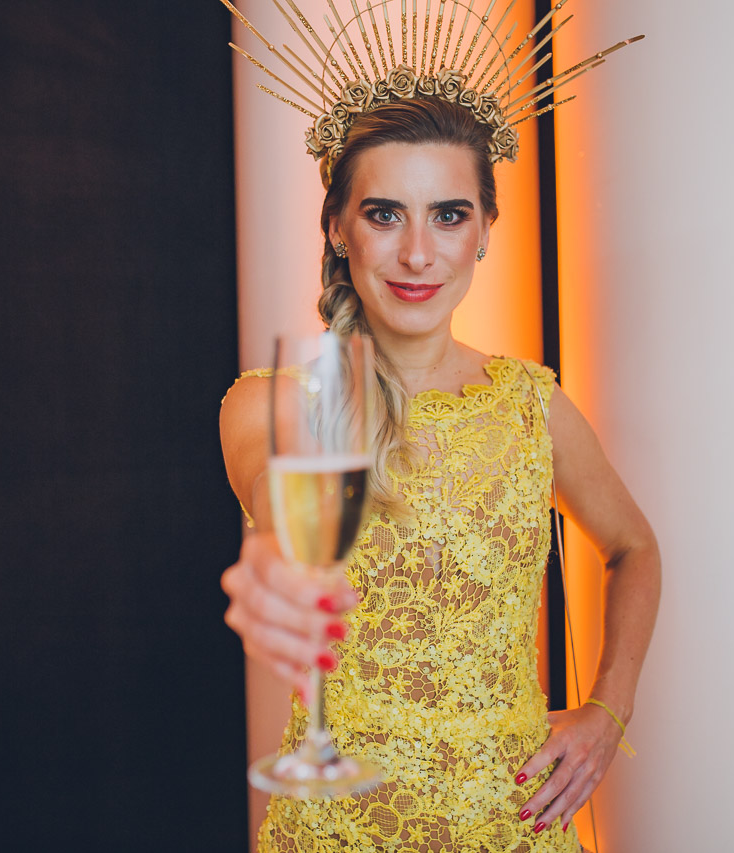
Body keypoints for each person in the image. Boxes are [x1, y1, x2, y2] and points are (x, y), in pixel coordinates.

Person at [218, 6, 657, 850]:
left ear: (485, 230)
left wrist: (609, 708)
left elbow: (634, 546)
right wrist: (273, 557)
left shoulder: (532, 405)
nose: (418, 253)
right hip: (339, 828)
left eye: (449, 215)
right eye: (384, 214)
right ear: (338, 227)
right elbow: (277, 492)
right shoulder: (275, 401)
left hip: (515, 827)